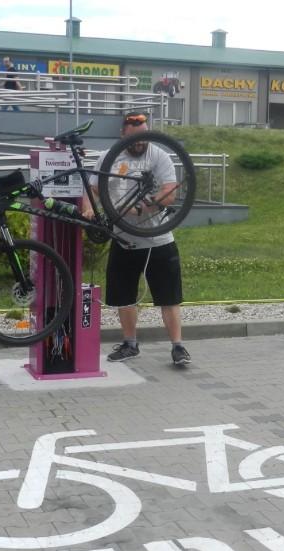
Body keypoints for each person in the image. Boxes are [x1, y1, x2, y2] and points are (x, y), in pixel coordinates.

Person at [82, 111, 191, 366]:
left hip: (158, 237)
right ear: (122, 135)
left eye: (143, 137)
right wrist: (89, 207)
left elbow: (170, 192)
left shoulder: (159, 156)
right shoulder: (108, 157)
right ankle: (130, 344)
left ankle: (178, 346)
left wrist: (140, 209)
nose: (139, 142)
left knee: (169, 296)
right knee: (123, 296)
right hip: (122, 239)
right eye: (133, 138)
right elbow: (94, 189)